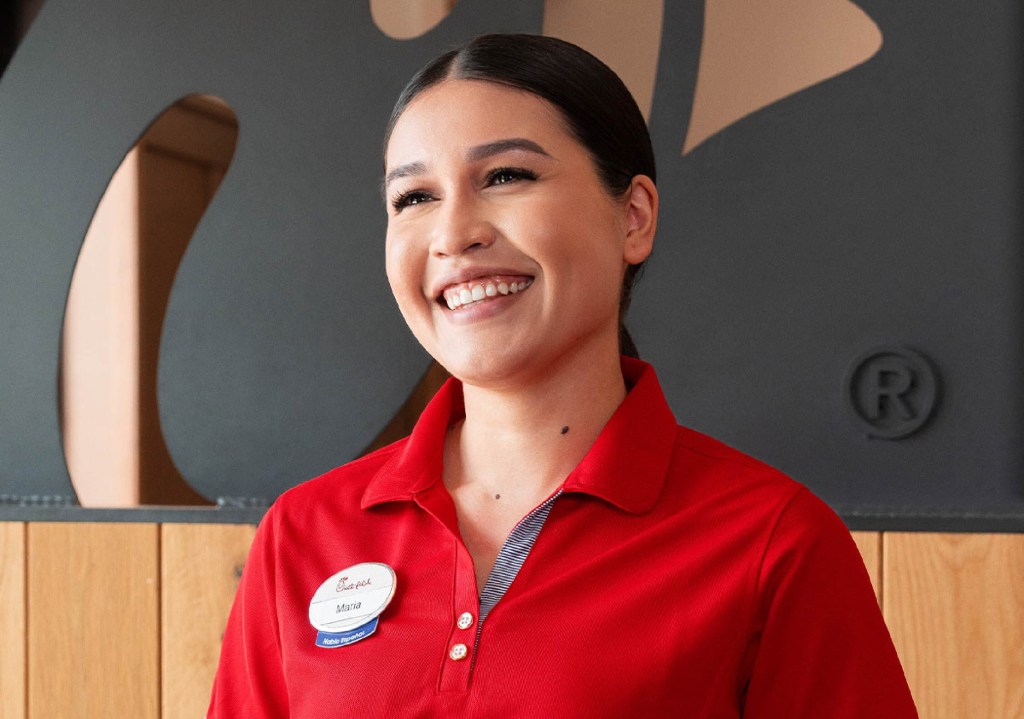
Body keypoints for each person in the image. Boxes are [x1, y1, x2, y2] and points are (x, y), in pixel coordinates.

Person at [208, 33, 918, 717]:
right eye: (414, 198)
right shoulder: (303, 533)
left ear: (633, 217)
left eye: (506, 176)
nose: (454, 234)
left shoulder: (774, 542)